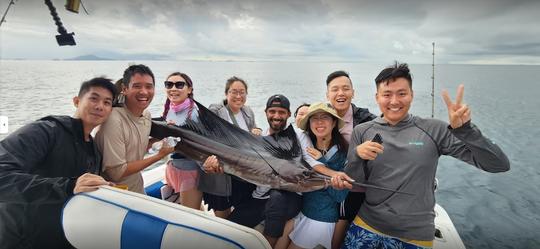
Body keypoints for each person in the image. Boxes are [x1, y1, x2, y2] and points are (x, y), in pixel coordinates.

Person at [342, 62, 510, 248]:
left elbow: (498, 165)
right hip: (366, 225)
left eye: (402, 94)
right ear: (377, 97)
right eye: (387, 94)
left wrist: (466, 130)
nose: (394, 101)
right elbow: (352, 183)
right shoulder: (362, 131)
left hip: (414, 236)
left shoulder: (434, 129)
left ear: (412, 95)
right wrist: (357, 155)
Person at [0, 77, 117, 249]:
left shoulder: (94, 150)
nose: (100, 106)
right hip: (21, 239)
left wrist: (100, 189)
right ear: (76, 101)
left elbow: (80, 189)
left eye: (107, 102)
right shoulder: (45, 131)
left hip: (64, 238)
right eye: (94, 98)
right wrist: (68, 186)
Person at [95, 64, 174, 194]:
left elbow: (135, 148)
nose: (144, 92)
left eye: (149, 86)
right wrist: (160, 155)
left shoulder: (146, 115)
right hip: (117, 196)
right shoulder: (113, 120)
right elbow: (117, 172)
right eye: (137, 86)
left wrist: (161, 136)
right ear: (124, 89)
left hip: (137, 189)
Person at [325, 70, 377, 249]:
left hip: (358, 185)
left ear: (353, 93)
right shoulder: (321, 117)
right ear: (327, 95)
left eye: (345, 89)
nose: (340, 93)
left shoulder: (366, 120)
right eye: (335, 89)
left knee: (345, 214)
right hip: (328, 179)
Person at [287, 102, 350, 249]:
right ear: (309, 124)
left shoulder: (343, 154)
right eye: (314, 118)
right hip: (301, 211)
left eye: (325, 117)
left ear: (334, 123)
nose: (319, 122)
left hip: (321, 218)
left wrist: (322, 162)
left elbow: (339, 196)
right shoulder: (306, 146)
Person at [198, 76, 261, 218]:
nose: (238, 96)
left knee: (239, 216)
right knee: (224, 219)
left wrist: (257, 130)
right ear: (226, 93)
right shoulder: (217, 110)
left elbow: (252, 133)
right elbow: (205, 138)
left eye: (242, 92)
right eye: (234, 92)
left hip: (241, 175)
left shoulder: (247, 112)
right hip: (221, 176)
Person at [160, 72, 203, 209]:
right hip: (173, 167)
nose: (173, 88)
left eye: (179, 85)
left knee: (190, 214)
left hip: (189, 170)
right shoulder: (170, 109)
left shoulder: (194, 113)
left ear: (189, 90)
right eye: (169, 84)